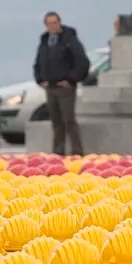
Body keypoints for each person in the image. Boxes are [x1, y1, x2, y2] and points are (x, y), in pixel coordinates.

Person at [33, 11, 90, 156]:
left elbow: (82, 62)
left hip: (65, 88)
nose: (52, 26)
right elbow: (38, 63)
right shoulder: (45, 41)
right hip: (50, 87)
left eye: (55, 23)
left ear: (60, 22)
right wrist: (40, 79)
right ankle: (58, 152)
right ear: (45, 25)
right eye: (49, 23)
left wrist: (71, 79)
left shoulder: (69, 39)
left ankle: (77, 152)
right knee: (56, 122)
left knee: (69, 120)